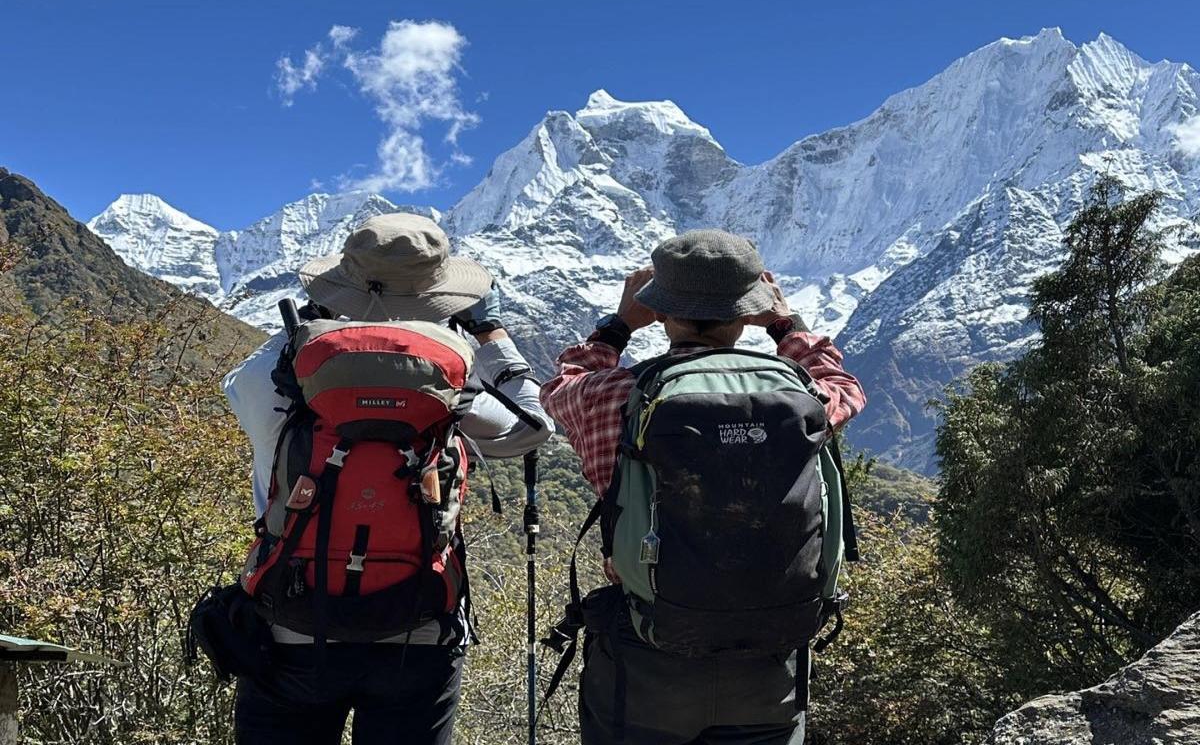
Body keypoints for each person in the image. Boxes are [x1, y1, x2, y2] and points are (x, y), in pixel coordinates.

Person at [223, 213, 553, 745]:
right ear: (443, 296)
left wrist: (319, 319)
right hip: (416, 625)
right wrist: (490, 333)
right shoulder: (451, 378)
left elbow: (235, 387)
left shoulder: (281, 371)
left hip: (291, 621)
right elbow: (532, 426)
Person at [540, 230, 866, 745]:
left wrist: (619, 326)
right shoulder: (802, 394)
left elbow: (561, 387)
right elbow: (845, 386)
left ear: (663, 311)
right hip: (770, 652)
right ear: (747, 314)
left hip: (646, 649)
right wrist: (787, 325)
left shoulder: (615, 396)